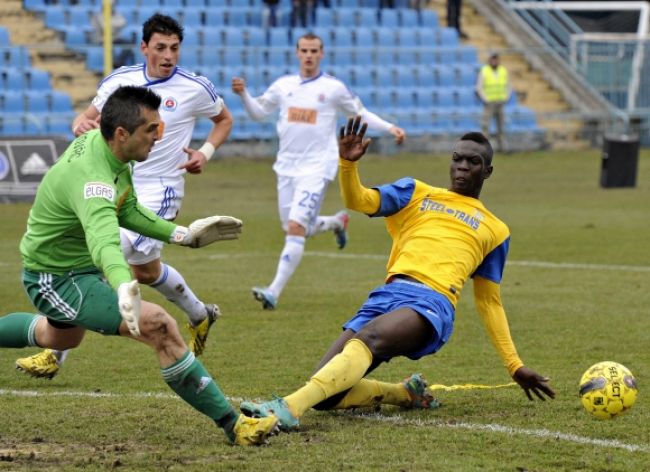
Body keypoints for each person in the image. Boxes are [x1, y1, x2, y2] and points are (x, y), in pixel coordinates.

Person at [0, 85, 278, 446]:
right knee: (159, 326)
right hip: (57, 278)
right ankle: (234, 425)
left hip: (73, 268)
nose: (159, 137)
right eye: (151, 130)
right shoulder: (93, 181)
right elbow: (104, 244)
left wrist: (183, 235)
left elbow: (126, 208)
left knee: (58, 337)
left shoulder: (112, 155)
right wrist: (121, 287)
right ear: (121, 133)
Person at [238, 116, 556, 431]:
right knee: (328, 394)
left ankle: (288, 408)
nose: (462, 166)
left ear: (487, 171)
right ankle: (404, 393)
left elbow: (489, 303)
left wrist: (515, 365)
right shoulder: (416, 192)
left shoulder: (496, 230)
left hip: (432, 303)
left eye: (472, 162)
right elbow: (359, 201)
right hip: (387, 295)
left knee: (368, 339)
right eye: (457, 158)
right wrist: (348, 165)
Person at [16, 13, 233, 378]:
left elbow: (224, 119)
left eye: (175, 48)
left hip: (162, 188)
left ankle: (55, 350)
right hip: (118, 179)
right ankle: (200, 314)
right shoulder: (120, 82)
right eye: (161, 47)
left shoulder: (195, 87)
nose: (168, 55)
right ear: (144, 47)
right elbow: (84, 119)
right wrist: (80, 125)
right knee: (144, 271)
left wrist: (204, 153)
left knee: (106, 258)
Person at [231, 33, 405, 311]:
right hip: (286, 167)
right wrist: (243, 95)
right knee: (293, 226)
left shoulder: (333, 88)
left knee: (296, 229)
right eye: (304, 50)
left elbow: (360, 113)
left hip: (317, 167)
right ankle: (337, 223)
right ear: (297, 53)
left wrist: (389, 127)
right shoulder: (283, 85)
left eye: (314, 50)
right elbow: (259, 112)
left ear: (321, 54)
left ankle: (273, 291)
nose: (309, 55)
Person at [475, 52, 511, 153]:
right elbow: (479, 87)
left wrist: (506, 97)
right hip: (489, 103)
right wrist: (485, 99)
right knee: (486, 126)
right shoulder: (484, 71)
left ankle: (502, 147)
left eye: (496, 59)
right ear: (489, 60)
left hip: (500, 102)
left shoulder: (503, 70)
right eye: (493, 59)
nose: (494, 61)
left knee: (501, 126)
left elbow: (508, 85)